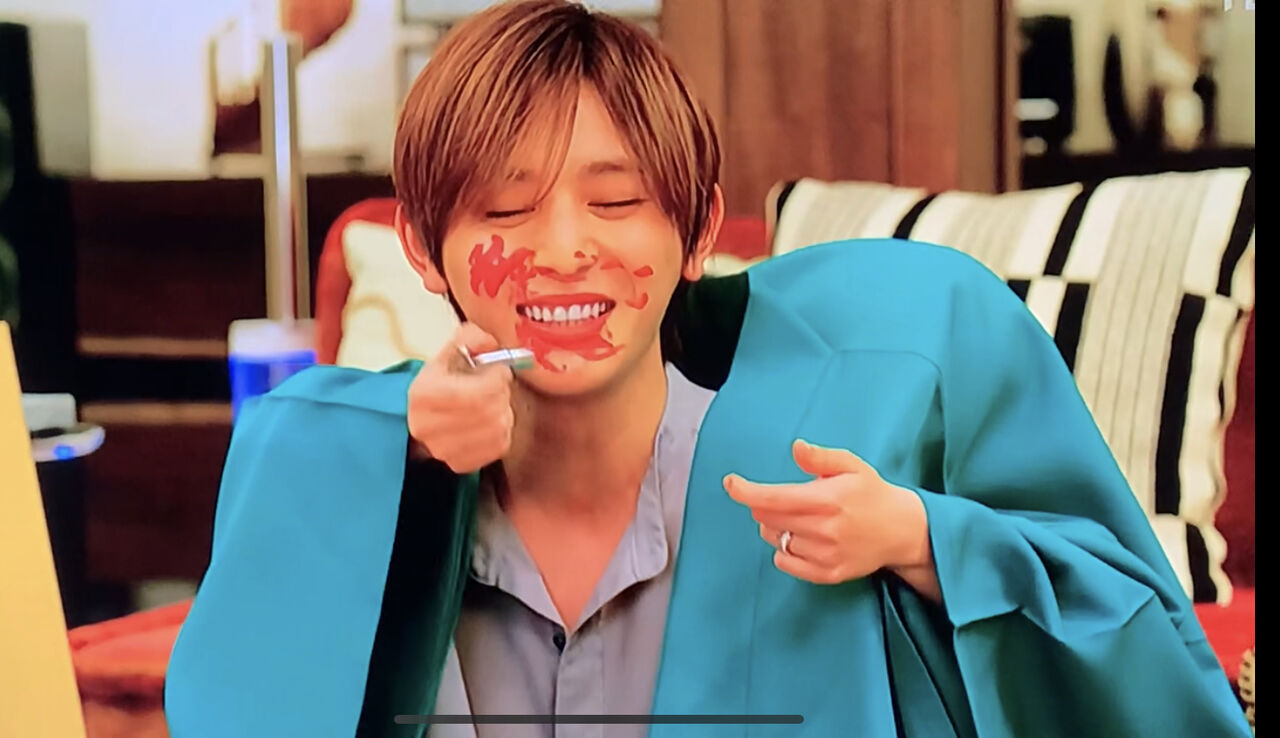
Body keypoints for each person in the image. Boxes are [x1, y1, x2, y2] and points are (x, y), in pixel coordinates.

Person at [164, 1, 1251, 736]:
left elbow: (1143, 656)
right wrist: (396, 445)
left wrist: (923, 542)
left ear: (696, 235)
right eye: (503, 208)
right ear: (420, 247)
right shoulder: (357, 451)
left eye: (616, 200)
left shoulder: (846, 428)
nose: (562, 249)